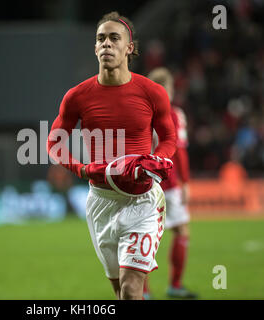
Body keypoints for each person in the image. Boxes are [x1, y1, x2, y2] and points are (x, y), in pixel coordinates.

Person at [47, 12, 176, 300]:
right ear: (95, 48)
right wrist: (81, 169)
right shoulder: (77, 96)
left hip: (142, 200)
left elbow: (169, 138)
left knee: (132, 290)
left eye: (114, 38)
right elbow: (54, 142)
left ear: (129, 47)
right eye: (100, 39)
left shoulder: (152, 93)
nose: (106, 43)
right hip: (101, 202)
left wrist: (160, 159)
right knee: (119, 291)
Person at [144, 67, 198, 299]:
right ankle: (175, 285)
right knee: (182, 231)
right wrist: (186, 182)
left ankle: (143, 291)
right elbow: (181, 151)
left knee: (143, 236)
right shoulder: (175, 114)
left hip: (145, 183)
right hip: (169, 182)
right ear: (166, 88)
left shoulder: (140, 114)